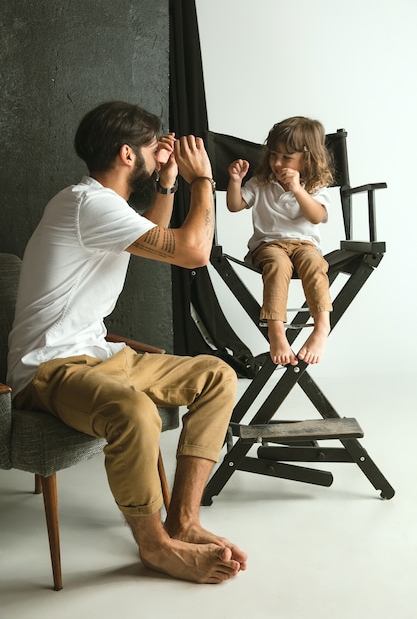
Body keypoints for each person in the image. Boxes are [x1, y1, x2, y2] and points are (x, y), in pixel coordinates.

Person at [7, 100, 247, 584]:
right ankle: (155, 546)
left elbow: (156, 232)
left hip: (99, 355)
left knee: (216, 374)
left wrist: (167, 180)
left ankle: (184, 520)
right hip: (50, 369)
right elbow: (192, 252)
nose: (160, 153)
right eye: (150, 148)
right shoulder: (86, 203)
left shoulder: (104, 205)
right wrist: (204, 179)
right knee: (135, 410)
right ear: (126, 154)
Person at [227, 116, 333, 366]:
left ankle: (321, 328)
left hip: (305, 245)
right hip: (268, 246)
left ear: (307, 158)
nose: (276, 162)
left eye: (286, 158)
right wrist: (235, 181)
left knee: (315, 265)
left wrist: (298, 189)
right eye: (273, 155)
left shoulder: (315, 185)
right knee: (278, 265)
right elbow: (234, 206)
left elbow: (317, 216)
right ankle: (276, 332)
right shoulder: (261, 182)